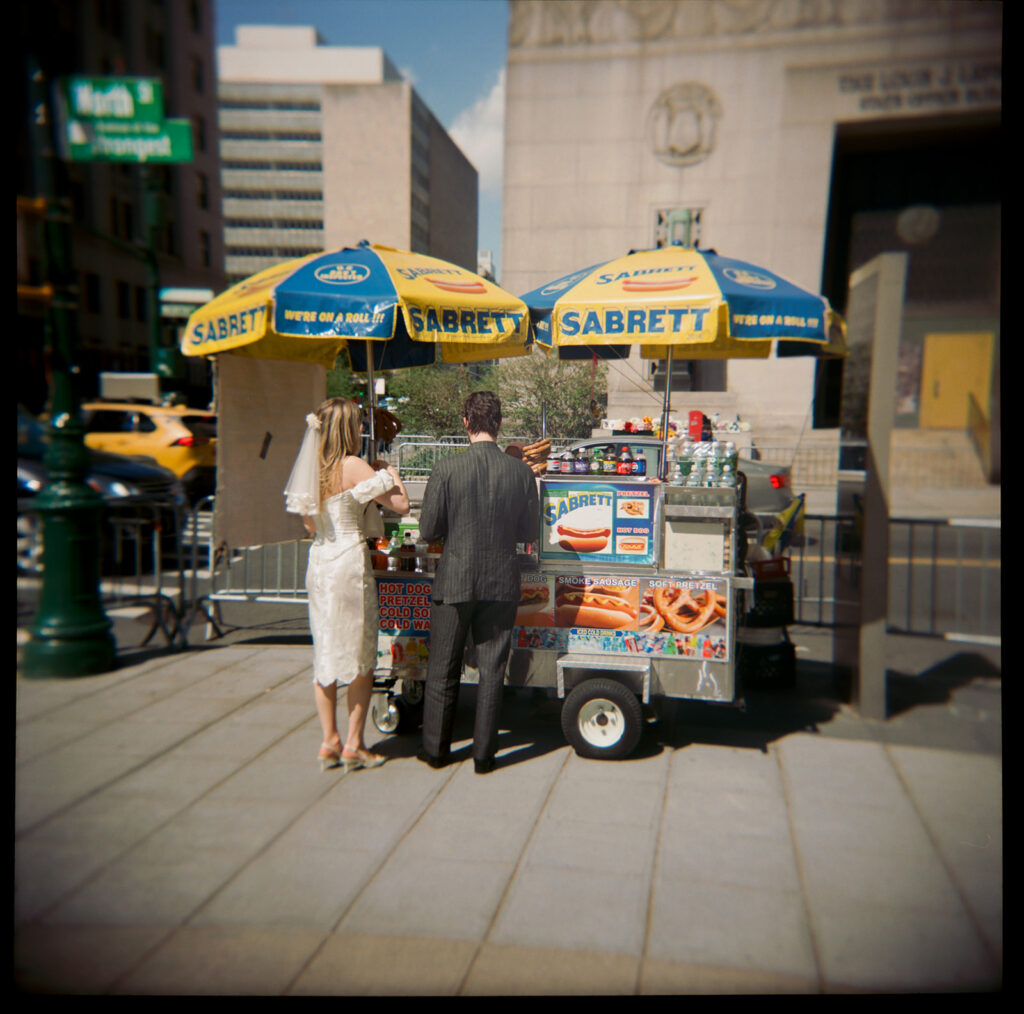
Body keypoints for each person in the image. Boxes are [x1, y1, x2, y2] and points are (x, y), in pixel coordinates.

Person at [284, 397, 410, 772]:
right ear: (346, 429)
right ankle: (354, 743)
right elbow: (400, 505)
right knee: (360, 653)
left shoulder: (312, 469)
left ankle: (329, 741)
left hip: (320, 562)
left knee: (325, 650)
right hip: (349, 564)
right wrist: (391, 471)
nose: (362, 429)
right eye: (358, 424)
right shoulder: (353, 465)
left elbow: (309, 525)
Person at [416, 391, 539, 774]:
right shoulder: (520, 473)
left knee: (443, 668)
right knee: (492, 671)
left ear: (466, 422)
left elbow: (427, 530)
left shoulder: (447, 468)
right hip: (501, 581)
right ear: (499, 424)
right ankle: (484, 756)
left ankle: (436, 751)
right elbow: (529, 532)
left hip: (454, 579)